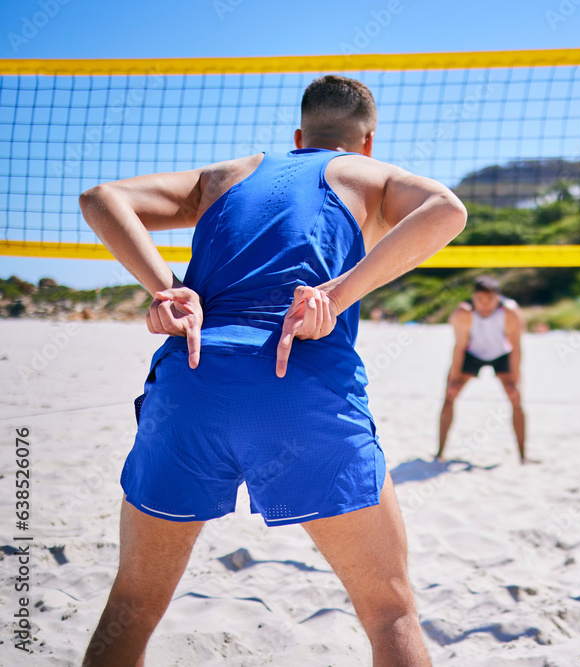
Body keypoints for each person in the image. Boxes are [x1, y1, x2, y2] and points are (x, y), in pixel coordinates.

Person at [78, 74, 466, 667]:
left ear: (297, 134)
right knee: (390, 614)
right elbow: (448, 210)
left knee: (133, 602)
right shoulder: (369, 175)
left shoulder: (225, 176)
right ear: (366, 142)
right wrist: (335, 295)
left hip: (192, 381)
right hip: (300, 384)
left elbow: (101, 197)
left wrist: (168, 291)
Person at [436, 276, 528, 463]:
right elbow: (459, 346)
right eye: (480, 300)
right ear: (473, 298)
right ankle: (440, 453)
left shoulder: (510, 313)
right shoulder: (463, 314)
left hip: (501, 354)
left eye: (490, 301)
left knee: (516, 399)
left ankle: (523, 456)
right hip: (472, 353)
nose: (485, 305)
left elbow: (516, 347)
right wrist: (454, 379)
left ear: (498, 299)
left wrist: (515, 381)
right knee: (450, 396)